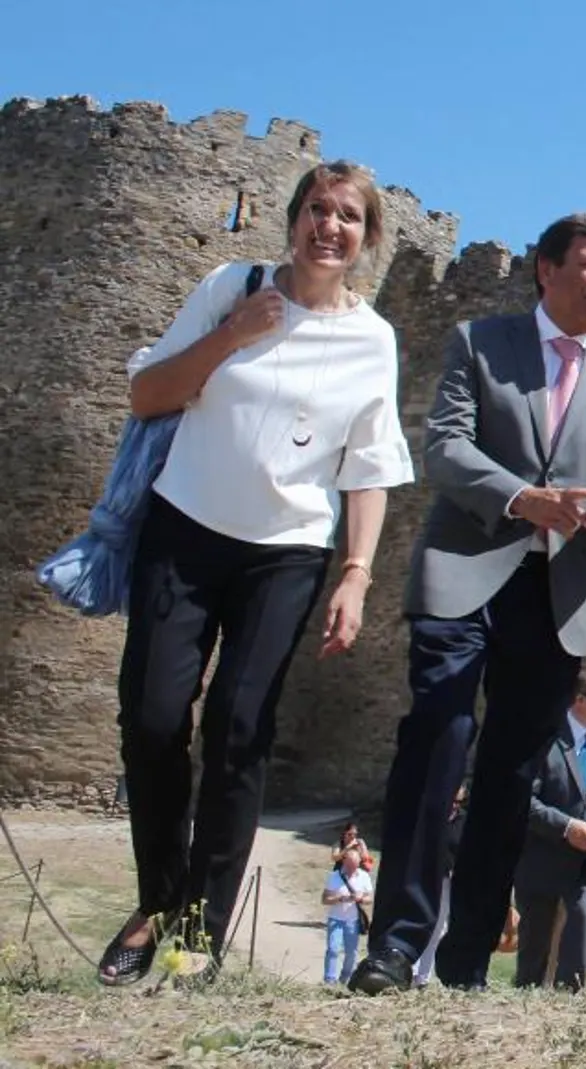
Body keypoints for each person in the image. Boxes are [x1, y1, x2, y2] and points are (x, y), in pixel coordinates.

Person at [95, 161, 413, 987]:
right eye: (316, 208)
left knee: (240, 725)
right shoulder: (228, 286)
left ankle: (200, 923)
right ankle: (158, 895)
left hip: (288, 550)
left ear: (367, 237)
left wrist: (356, 572)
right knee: (153, 715)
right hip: (186, 527)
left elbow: (369, 464)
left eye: (347, 216)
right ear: (293, 217)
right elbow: (147, 394)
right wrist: (232, 335)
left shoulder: (373, 338)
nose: (328, 226)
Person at [350, 213, 586, 995]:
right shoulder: (477, 340)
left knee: (510, 777)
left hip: (559, 597)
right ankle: (394, 946)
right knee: (437, 745)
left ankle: (463, 964)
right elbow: (446, 447)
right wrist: (526, 498)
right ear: (545, 271)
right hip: (467, 575)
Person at [512, 669, 586, 990]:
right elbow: (524, 801)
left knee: (583, 917)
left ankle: (570, 997)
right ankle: (527, 997)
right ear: (579, 700)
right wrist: (566, 828)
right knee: (534, 946)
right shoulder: (545, 738)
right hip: (544, 856)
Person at [411, 783, 467, 988]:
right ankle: (409, 967)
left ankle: (423, 975)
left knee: (439, 927)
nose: (454, 805)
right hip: (425, 876)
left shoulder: (463, 821)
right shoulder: (432, 817)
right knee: (419, 918)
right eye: (451, 800)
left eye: (458, 801)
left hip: (448, 880)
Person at [322, 845, 376, 984]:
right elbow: (324, 899)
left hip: (353, 921)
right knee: (333, 949)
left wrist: (360, 899)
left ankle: (345, 977)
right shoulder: (334, 876)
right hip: (336, 919)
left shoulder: (364, 877)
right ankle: (330, 979)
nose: (352, 869)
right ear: (344, 862)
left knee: (351, 953)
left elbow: (370, 899)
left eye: (355, 865)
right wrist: (339, 898)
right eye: (350, 865)